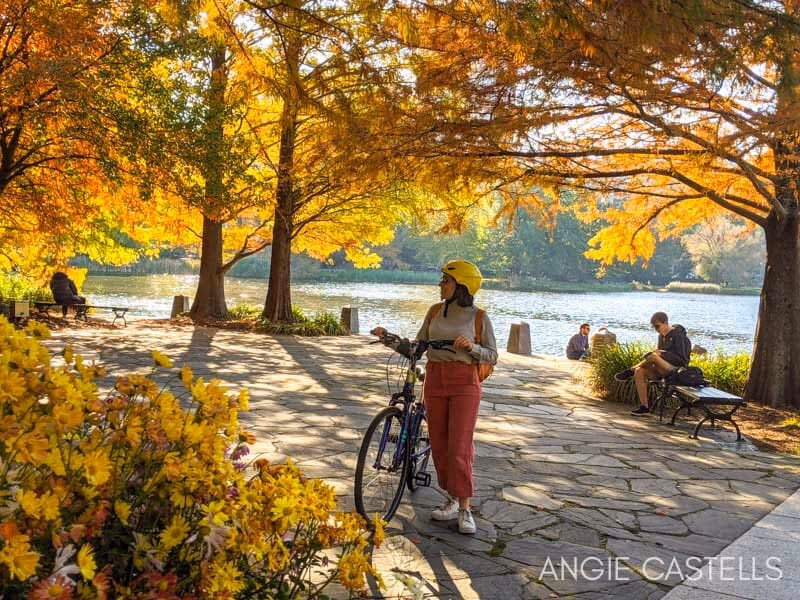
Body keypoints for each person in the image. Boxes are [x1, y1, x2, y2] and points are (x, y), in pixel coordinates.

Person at [372, 260, 498, 535]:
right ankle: (451, 499)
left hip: (464, 381)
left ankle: (465, 507)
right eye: (442, 280)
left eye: (446, 280)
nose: (440, 284)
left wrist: (472, 348)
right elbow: (418, 347)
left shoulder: (478, 317)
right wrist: (389, 339)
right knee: (439, 444)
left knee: (459, 446)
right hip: (435, 378)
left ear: (462, 285)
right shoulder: (434, 312)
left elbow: (492, 354)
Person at [614, 312, 691, 416]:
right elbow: (660, 357)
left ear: (666, 323)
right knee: (639, 371)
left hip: (677, 371)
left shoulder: (678, 336)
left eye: (657, 326)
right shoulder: (661, 336)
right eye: (654, 327)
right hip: (663, 370)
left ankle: (630, 371)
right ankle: (644, 408)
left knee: (654, 356)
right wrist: (657, 356)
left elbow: (683, 360)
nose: (656, 329)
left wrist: (663, 354)